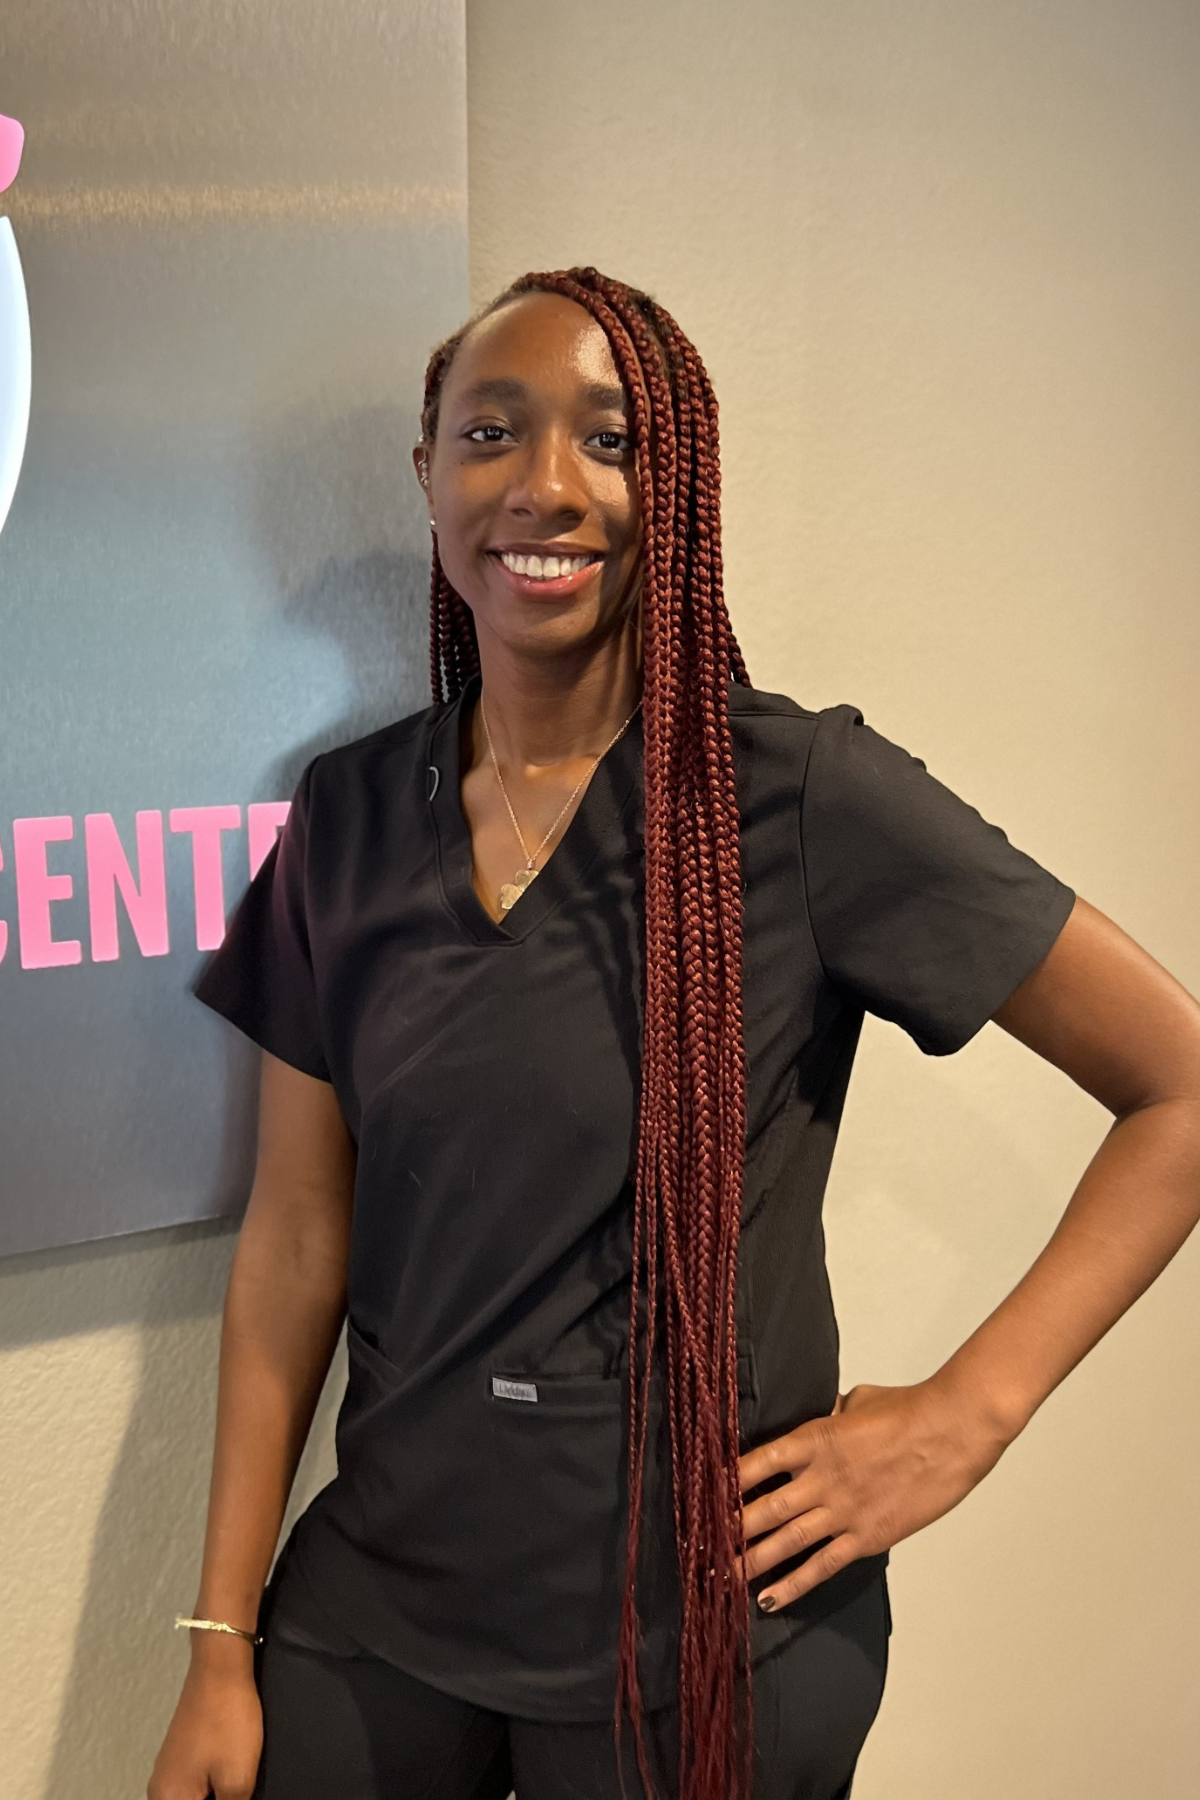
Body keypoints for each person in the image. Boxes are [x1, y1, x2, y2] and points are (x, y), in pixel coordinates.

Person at [147, 267, 1200, 1800]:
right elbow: (301, 1237)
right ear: (427, 470)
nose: (547, 487)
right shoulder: (352, 817)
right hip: (385, 1608)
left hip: (701, 1637)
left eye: (612, 439)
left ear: (682, 480)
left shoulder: (799, 800)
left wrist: (969, 1414)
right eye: (492, 431)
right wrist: (218, 1642)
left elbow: (1177, 1087)